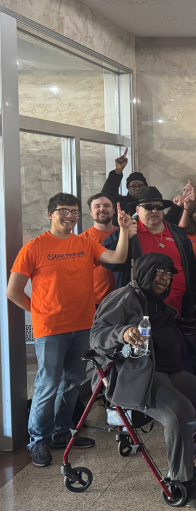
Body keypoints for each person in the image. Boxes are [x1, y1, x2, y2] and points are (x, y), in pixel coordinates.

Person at [7, 193, 133, 467]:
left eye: (74, 212)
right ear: (50, 214)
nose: (69, 216)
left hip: (83, 326)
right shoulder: (34, 248)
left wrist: (124, 230)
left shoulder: (85, 243)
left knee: (73, 382)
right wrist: (39, 311)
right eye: (63, 211)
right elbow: (13, 291)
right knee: (47, 384)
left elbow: (119, 256)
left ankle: (62, 434)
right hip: (50, 329)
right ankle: (37, 441)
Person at [90, 252, 196, 508]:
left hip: (167, 369)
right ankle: (181, 483)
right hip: (136, 374)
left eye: (169, 275)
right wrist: (123, 332)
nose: (165, 279)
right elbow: (97, 335)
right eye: (160, 273)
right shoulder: (124, 297)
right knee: (180, 410)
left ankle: (188, 465)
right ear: (145, 273)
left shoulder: (159, 303)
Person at [103, 187, 196, 318]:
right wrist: (123, 235)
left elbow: (192, 270)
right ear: (137, 210)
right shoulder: (127, 232)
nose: (155, 210)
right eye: (148, 207)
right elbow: (110, 264)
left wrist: (194, 300)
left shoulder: (178, 235)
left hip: (178, 310)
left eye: (159, 207)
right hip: (140, 311)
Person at [81, 193, 119, 307]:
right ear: (91, 212)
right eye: (97, 206)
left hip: (121, 299)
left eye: (107, 205)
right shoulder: (81, 240)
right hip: (93, 301)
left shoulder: (125, 234)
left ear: (113, 210)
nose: (102, 209)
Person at [100, 147, 146, 225]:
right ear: (128, 188)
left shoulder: (151, 204)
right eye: (133, 186)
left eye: (140, 185)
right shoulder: (120, 203)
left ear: (146, 187)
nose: (137, 188)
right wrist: (118, 170)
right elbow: (106, 195)